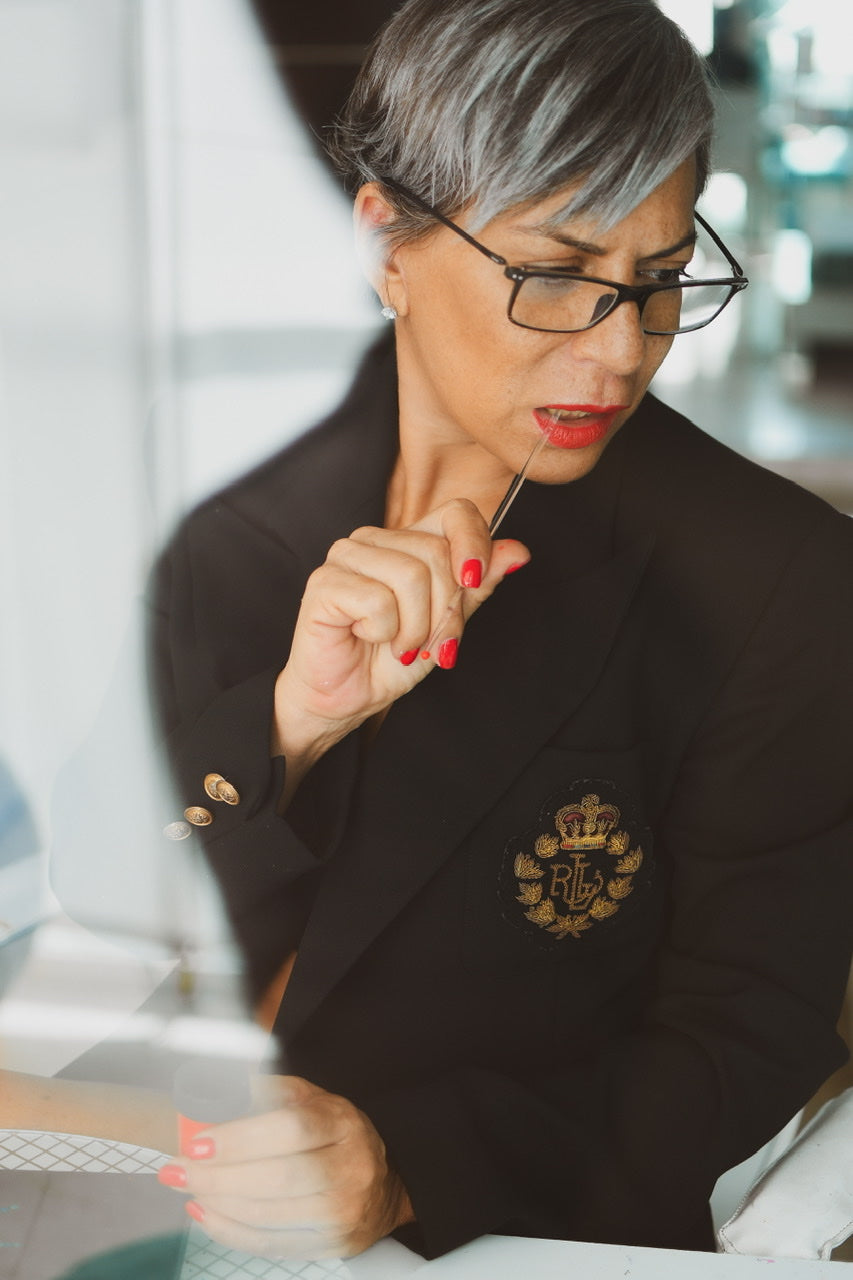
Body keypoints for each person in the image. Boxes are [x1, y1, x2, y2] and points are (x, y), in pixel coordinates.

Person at [145, 0, 853, 1262]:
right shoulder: (206, 512)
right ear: (388, 241)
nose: (620, 348)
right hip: (138, 1184)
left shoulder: (775, 578)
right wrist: (288, 730)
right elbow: (100, 904)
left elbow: (751, 1027)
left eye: (658, 279)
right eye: (555, 274)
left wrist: (411, 1171)